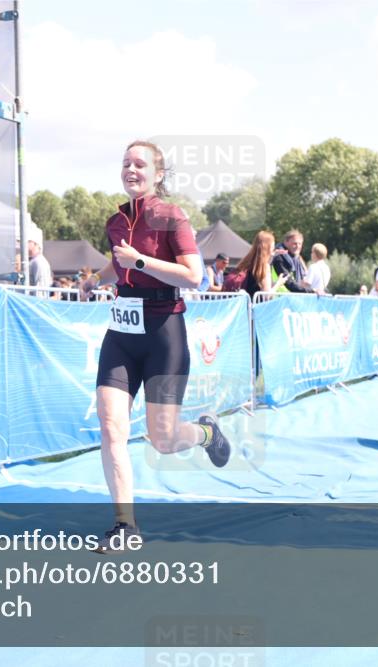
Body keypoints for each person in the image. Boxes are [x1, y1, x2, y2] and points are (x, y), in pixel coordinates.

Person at [78, 140, 231, 553]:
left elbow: (193, 275)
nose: (130, 169)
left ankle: (204, 431)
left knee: (161, 439)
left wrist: (140, 263)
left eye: (139, 163)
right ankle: (124, 525)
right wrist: (98, 280)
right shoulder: (115, 220)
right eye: (125, 163)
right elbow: (119, 260)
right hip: (122, 336)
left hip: (164, 332)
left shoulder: (170, 216)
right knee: (111, 428)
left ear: (157, 175)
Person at [229, 230, 276, 297]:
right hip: (257, 305)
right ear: (268, 247)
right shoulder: (264, 266)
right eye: (273, 245)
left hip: (245, 304)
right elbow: (266, 295)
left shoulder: (246, 262)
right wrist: (279, 283)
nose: (274, 247)